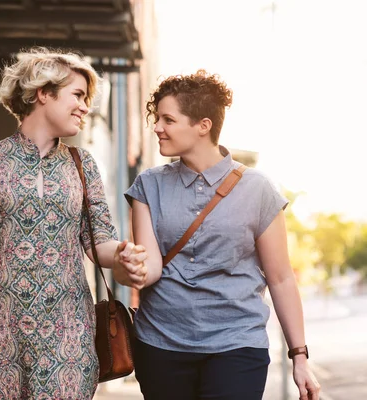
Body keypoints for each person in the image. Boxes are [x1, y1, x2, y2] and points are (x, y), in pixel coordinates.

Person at [0, 47, 147, 400]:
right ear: (43, 92)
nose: (85, 107)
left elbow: (98, 242)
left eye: (87, 98)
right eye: (77, 95)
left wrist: (121, 253)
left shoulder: (83, 165)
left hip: (67, 336)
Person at [115, 70, 320, 400]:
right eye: (157, 118)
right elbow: (150, 269)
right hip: (161, 345)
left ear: (203, 125)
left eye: (168, 119)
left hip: (237, 344)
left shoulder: (259, 189)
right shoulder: (148, 186)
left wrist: (299, 356)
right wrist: (129, 266)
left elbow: (281, 278)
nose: (156, 127)